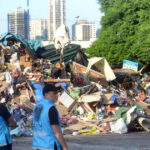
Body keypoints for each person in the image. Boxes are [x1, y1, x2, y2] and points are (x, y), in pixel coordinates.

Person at [33, 84, 68, 150]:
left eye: (57, 93)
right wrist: (64, 147)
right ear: (46, 94)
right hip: (50, 145)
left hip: (37, 145)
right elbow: (56, 131)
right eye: (54, 93)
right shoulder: (51, 108)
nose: (56, 96)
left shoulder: (36, 106)